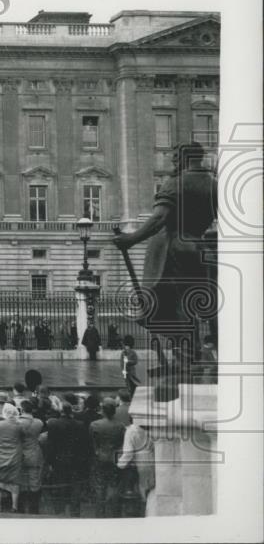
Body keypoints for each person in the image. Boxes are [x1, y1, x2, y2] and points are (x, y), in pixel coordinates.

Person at [112, 142, 218, 395]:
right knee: (192, 304)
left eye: (174, 159)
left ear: (183, 158)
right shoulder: (214, 184)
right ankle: (193, 356)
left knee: (170, 302)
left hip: (173, 248)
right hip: (199, 247)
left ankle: (186, 358)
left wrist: (131, 238)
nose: (172, 163)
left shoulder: (176, 182)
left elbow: (160, 218)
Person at [90, 398, 126, 517]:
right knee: (114, 485)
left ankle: (100, 513)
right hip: (114, 457)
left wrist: (97, 451)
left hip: (100, 456)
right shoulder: (120, 426)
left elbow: (93, 441)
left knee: (100, 486)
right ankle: (114, 512)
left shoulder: (95, 425)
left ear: (103, 410)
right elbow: (122, 442)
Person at [0, 402, 24, 512]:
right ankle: (14, 506)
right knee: (14, 480)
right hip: (15, 456)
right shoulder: (19, 425)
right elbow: (24, 434)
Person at [117, 412, 155, 516]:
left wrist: (120, 464)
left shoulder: (131, 431)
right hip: (151, 459)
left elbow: (128, 452)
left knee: (141, 489)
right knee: (150, 487)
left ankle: (142, 514)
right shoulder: (150, 428)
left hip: (138, 460)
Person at [17, 400, 44, 513]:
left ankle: (21, 508)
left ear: (22, 409)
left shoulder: (17, 422)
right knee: (34, 481)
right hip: (34, 453)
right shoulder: (39, 422)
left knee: (21, 481)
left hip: (20, 453)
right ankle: (34, 509)